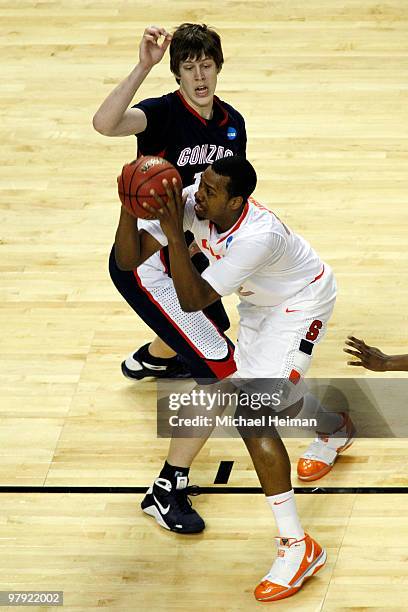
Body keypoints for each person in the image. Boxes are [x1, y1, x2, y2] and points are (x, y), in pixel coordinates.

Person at [114, 155, 349, 602]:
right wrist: (130, 204)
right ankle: (334, 427)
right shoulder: (195, 203)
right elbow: (128, 260)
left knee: (253, 414)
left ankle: (298, 547)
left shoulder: (258, 236)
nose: (196, 196)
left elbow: (193, 297)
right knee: (263, 396)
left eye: (209, 192)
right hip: (262, 304)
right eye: (199, 185)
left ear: (237, 201)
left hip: (301, 303)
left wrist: (174, 237)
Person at [93, 23, 246, 380]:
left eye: (206, 65)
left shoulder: (233, 122)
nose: (199, 76)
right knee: (213, 352)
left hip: (192, 243)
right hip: (148, 251)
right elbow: (104, 123)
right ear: (177, 74)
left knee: (214, 320)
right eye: (189, 67)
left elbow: (232, 193)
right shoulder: (162, 114)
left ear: (218, 67)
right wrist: (143, 66)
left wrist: (211, 245)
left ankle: (153, 359)